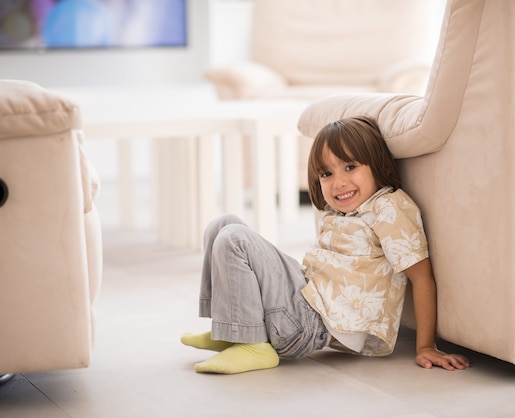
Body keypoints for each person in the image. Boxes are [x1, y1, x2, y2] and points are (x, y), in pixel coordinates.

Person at [181, 116, 470, 374]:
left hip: (309, 324)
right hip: (306, 301)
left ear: (378, 164)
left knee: (234, 237)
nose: (339, 182)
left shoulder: (389, 208)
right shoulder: (340, 213)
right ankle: (231, 328)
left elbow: (421, 278)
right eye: (327, 174)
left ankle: (253, 345)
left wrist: (425, 347)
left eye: (350, 167)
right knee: (222, 224)